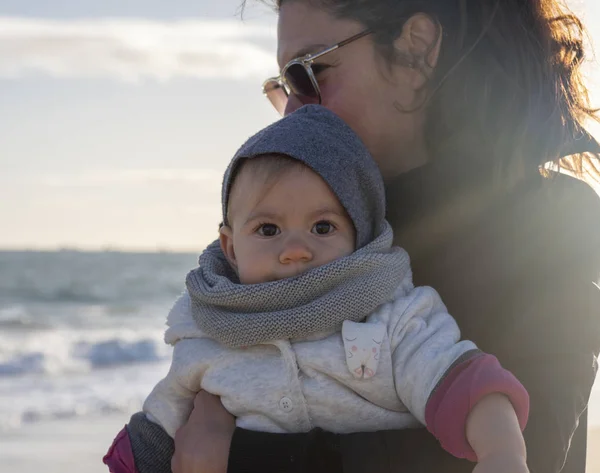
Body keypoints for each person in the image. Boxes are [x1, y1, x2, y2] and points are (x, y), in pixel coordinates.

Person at [165, 1, 600, 473]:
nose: (291, 113)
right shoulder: (312, 237)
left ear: (417, 50)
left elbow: (520, 457)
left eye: (308, 74)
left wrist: (237, 456)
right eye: (284, 86)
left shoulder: (551, 236)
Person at [104, 105, 529, 473]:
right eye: (268, 229)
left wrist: (502, 453)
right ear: (231, 247)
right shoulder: (208, 328)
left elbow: (465, 385)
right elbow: (155, 437)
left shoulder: (390, 316)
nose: (295, 251)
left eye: (322, 227)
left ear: (358, 235)